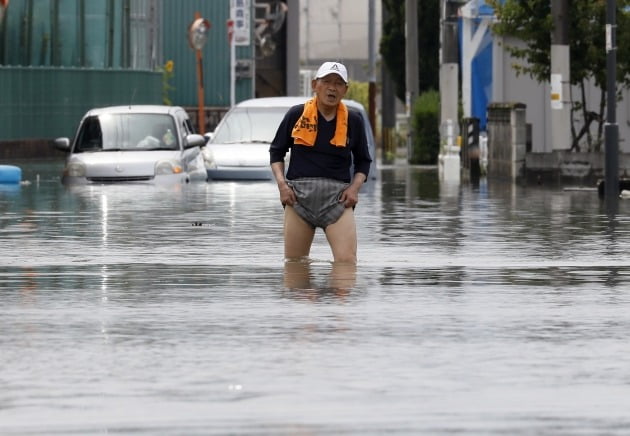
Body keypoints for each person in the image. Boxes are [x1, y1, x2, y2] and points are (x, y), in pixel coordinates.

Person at [269, 61, 372, 264]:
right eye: (326, 82)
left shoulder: (354, 120)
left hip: (338, 201)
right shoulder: (296, 114)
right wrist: (282, 185)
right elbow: (276, 153)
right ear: (315, 85)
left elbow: (363, 162)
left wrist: (354, 189)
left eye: (338, 83)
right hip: (298, 199)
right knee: (295, 265)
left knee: (347, 263)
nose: (332, 87)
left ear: (345, 90)